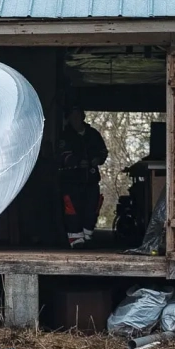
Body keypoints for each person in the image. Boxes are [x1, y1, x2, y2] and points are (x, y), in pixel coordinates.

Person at [57, 106, 108, 248]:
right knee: (73, 210)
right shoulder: (65, 136)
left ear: (83, 116)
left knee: (92, 208)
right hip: (71, 180)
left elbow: (103, 151)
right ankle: (76, 241)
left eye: (77, 115)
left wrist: (98, 159)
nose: (75, 119)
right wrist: (78, 162)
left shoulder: (93, 134)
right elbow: (62, 155)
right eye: (72, 116)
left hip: (91, 180)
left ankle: (88, 236)